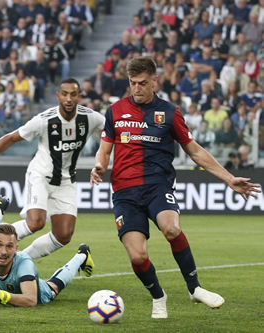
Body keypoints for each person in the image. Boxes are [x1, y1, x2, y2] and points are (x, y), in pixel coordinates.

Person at [90, 57, 261, 319]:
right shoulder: (115, 111)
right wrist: (99, 166)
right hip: (124, 192)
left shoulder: (169, 112)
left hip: (158, 185)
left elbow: (194, 150)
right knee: (137, 256)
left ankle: (195, 288)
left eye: (142, 83)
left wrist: (228, 178)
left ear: (155, 81)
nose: (137, 88)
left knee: (171, 228)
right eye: (133, 83)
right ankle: (159, 297)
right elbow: (104, 150)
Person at [0, 78, 105, 260]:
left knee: (64, 235)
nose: (68, 99)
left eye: (72, 94)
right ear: (57, 96)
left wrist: (101, 162)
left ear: (79, 96)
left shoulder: (90, 117)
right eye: (64, 94)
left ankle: (20, 260)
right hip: (40, 176)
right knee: (35, 222)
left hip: (66, 181)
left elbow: (116, 130)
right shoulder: (44, 120)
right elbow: (12, 138)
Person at [0, 192, 95, 307]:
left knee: (52, 287)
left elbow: (31, 300)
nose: (3, 252)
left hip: (40, 292)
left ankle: (81, 255)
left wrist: (1, 295)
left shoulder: (25, 264)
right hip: (14, 279)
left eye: (9, 246)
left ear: (16, 249)